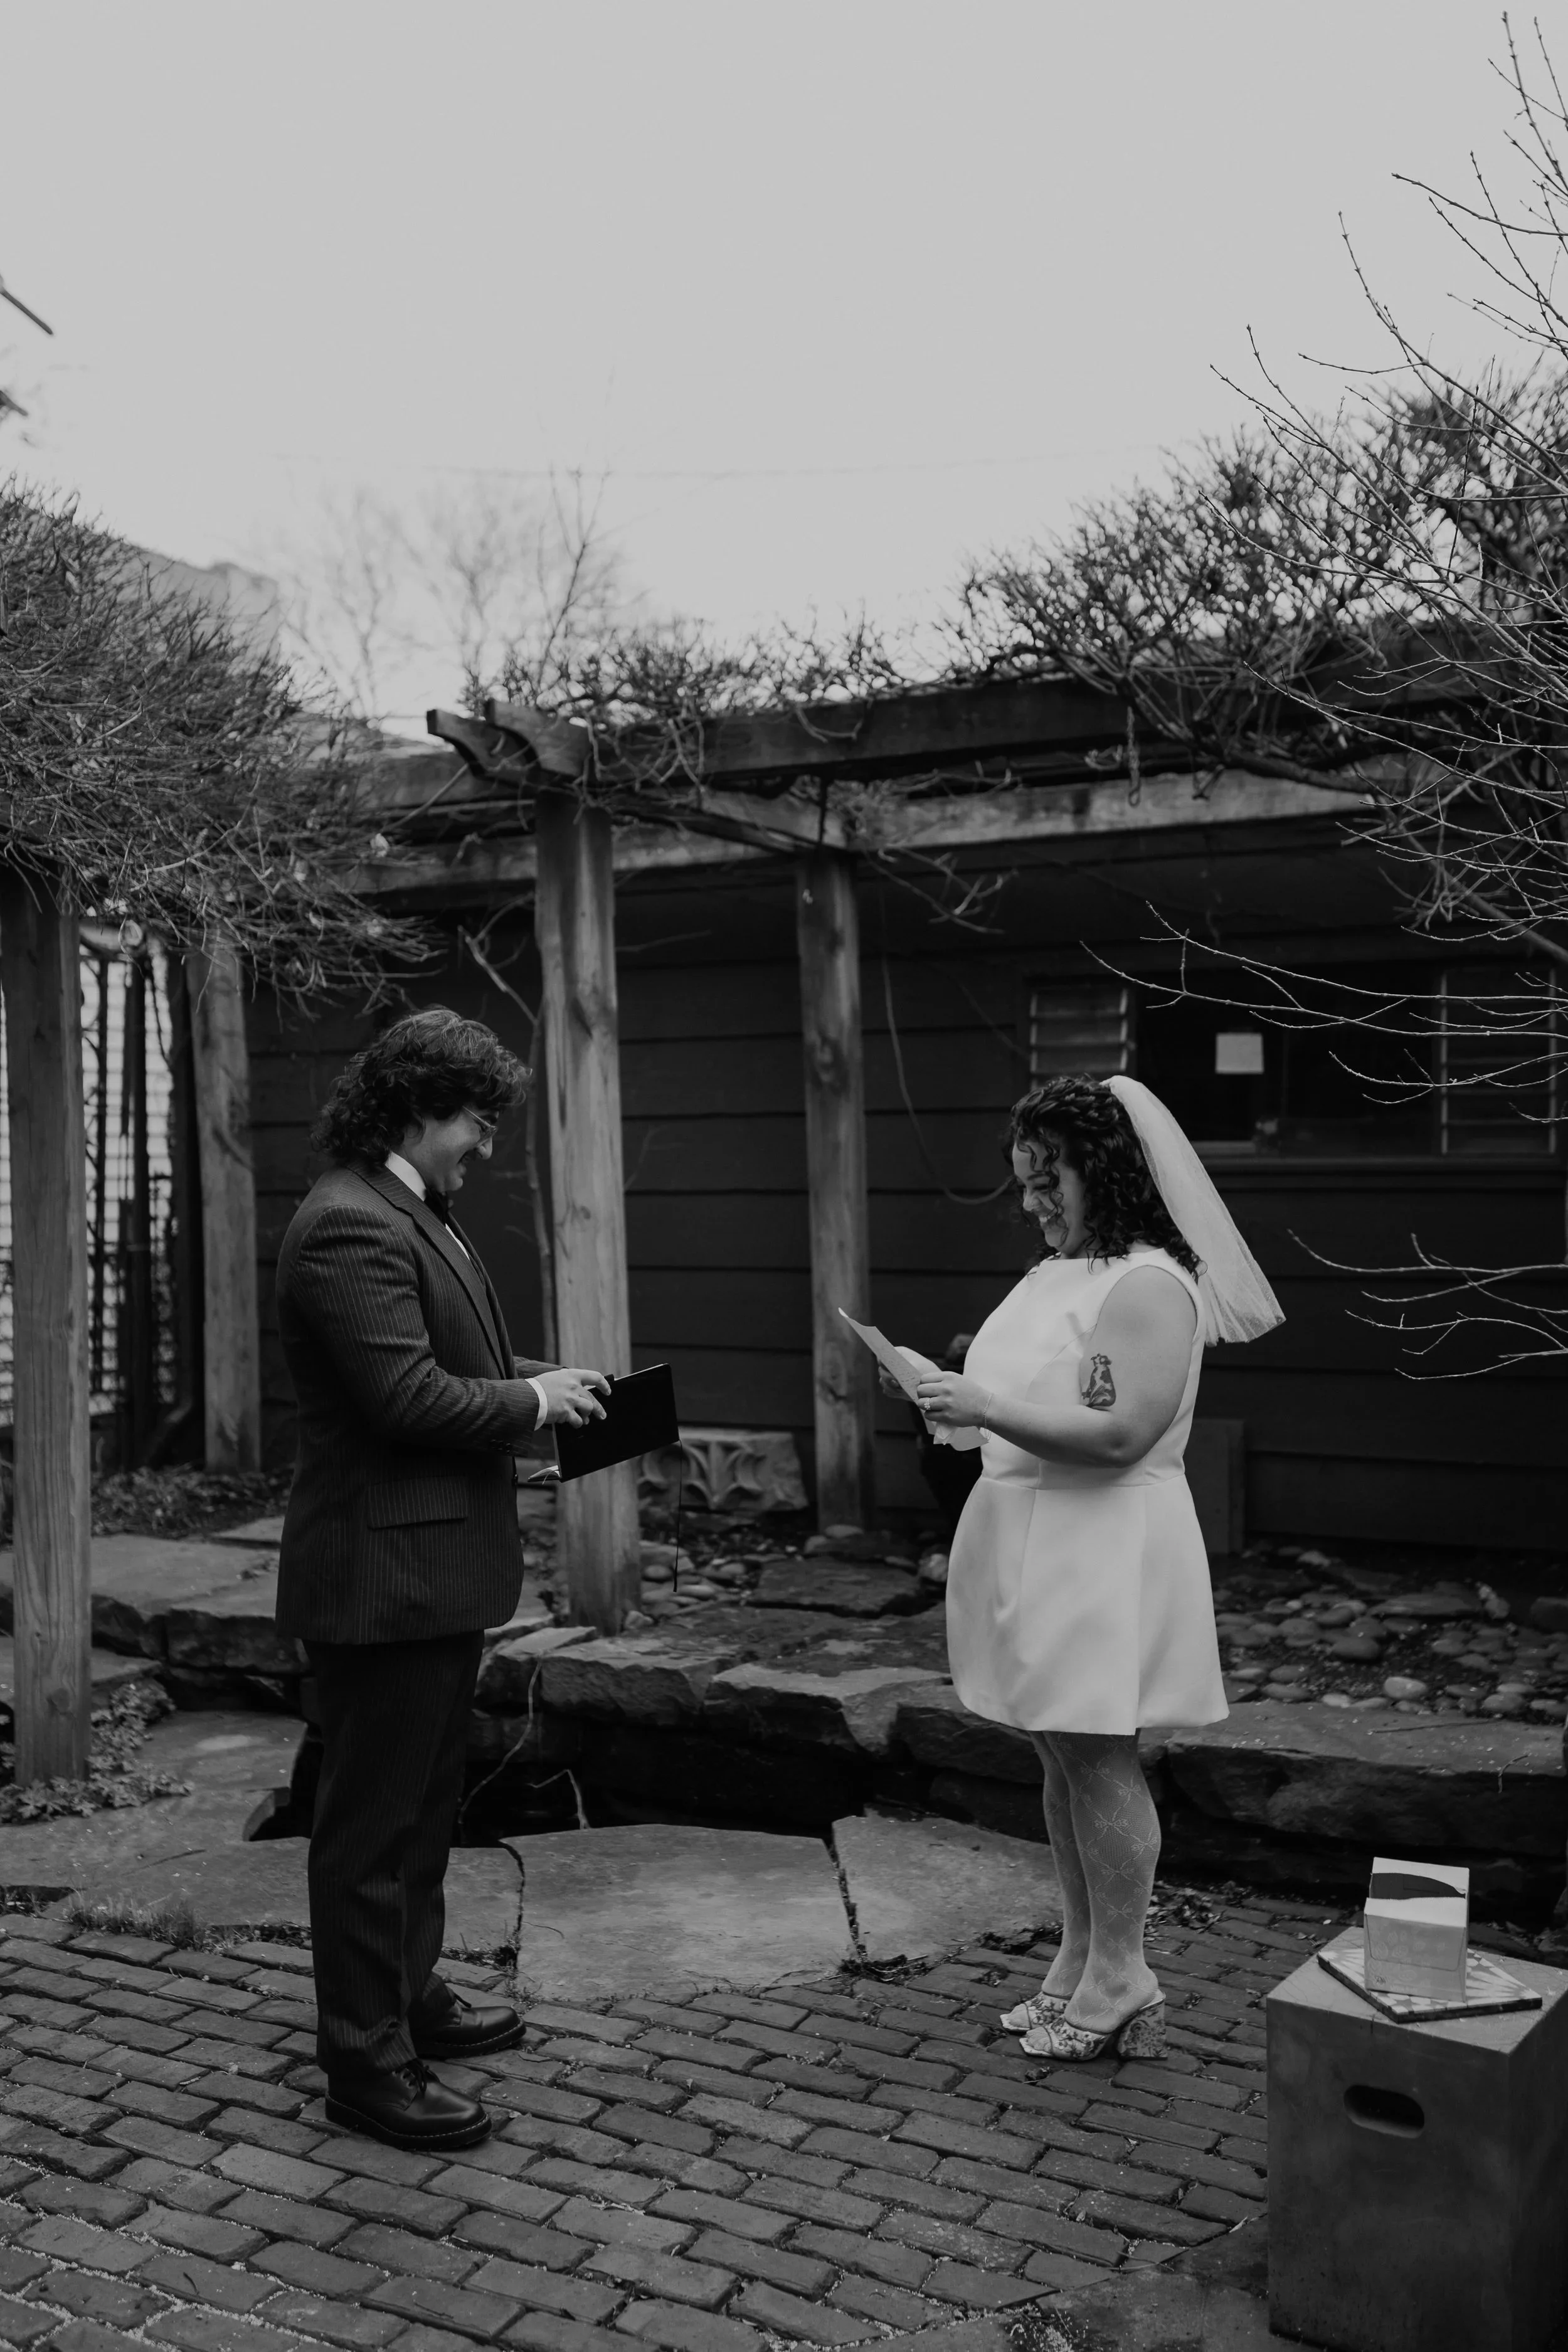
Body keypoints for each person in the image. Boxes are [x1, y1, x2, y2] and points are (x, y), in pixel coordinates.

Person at [275, 1007, 609, 2151]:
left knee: (421, 1813)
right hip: (380, 1577)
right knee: (369, 1830)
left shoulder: (419, 1214)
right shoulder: (346, 1226)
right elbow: (405, 1398)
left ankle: (410, 1999)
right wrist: (531, 1406)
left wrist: (542, 1380)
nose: (483, 1139)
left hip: (434, 1569)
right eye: (475, 1117)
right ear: (417, 1105)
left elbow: (450, 1365)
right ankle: (365, 2066)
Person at [910, 1074, 1282, 2064]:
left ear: (1106, 1172)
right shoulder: (1054, 1275)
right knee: (1057, 1751)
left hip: (1100, 1539)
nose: (1032, 1202)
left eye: (1049, 1179)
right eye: (1023, 1181)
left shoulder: (1151, 1284)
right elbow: (1030, 1395)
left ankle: (1126, 1975)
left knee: (1097, 1752)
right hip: (1031, 1528)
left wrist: (983, 1407)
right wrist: (956, 1409)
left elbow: (1118, 1432)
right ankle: (1078, 1958)